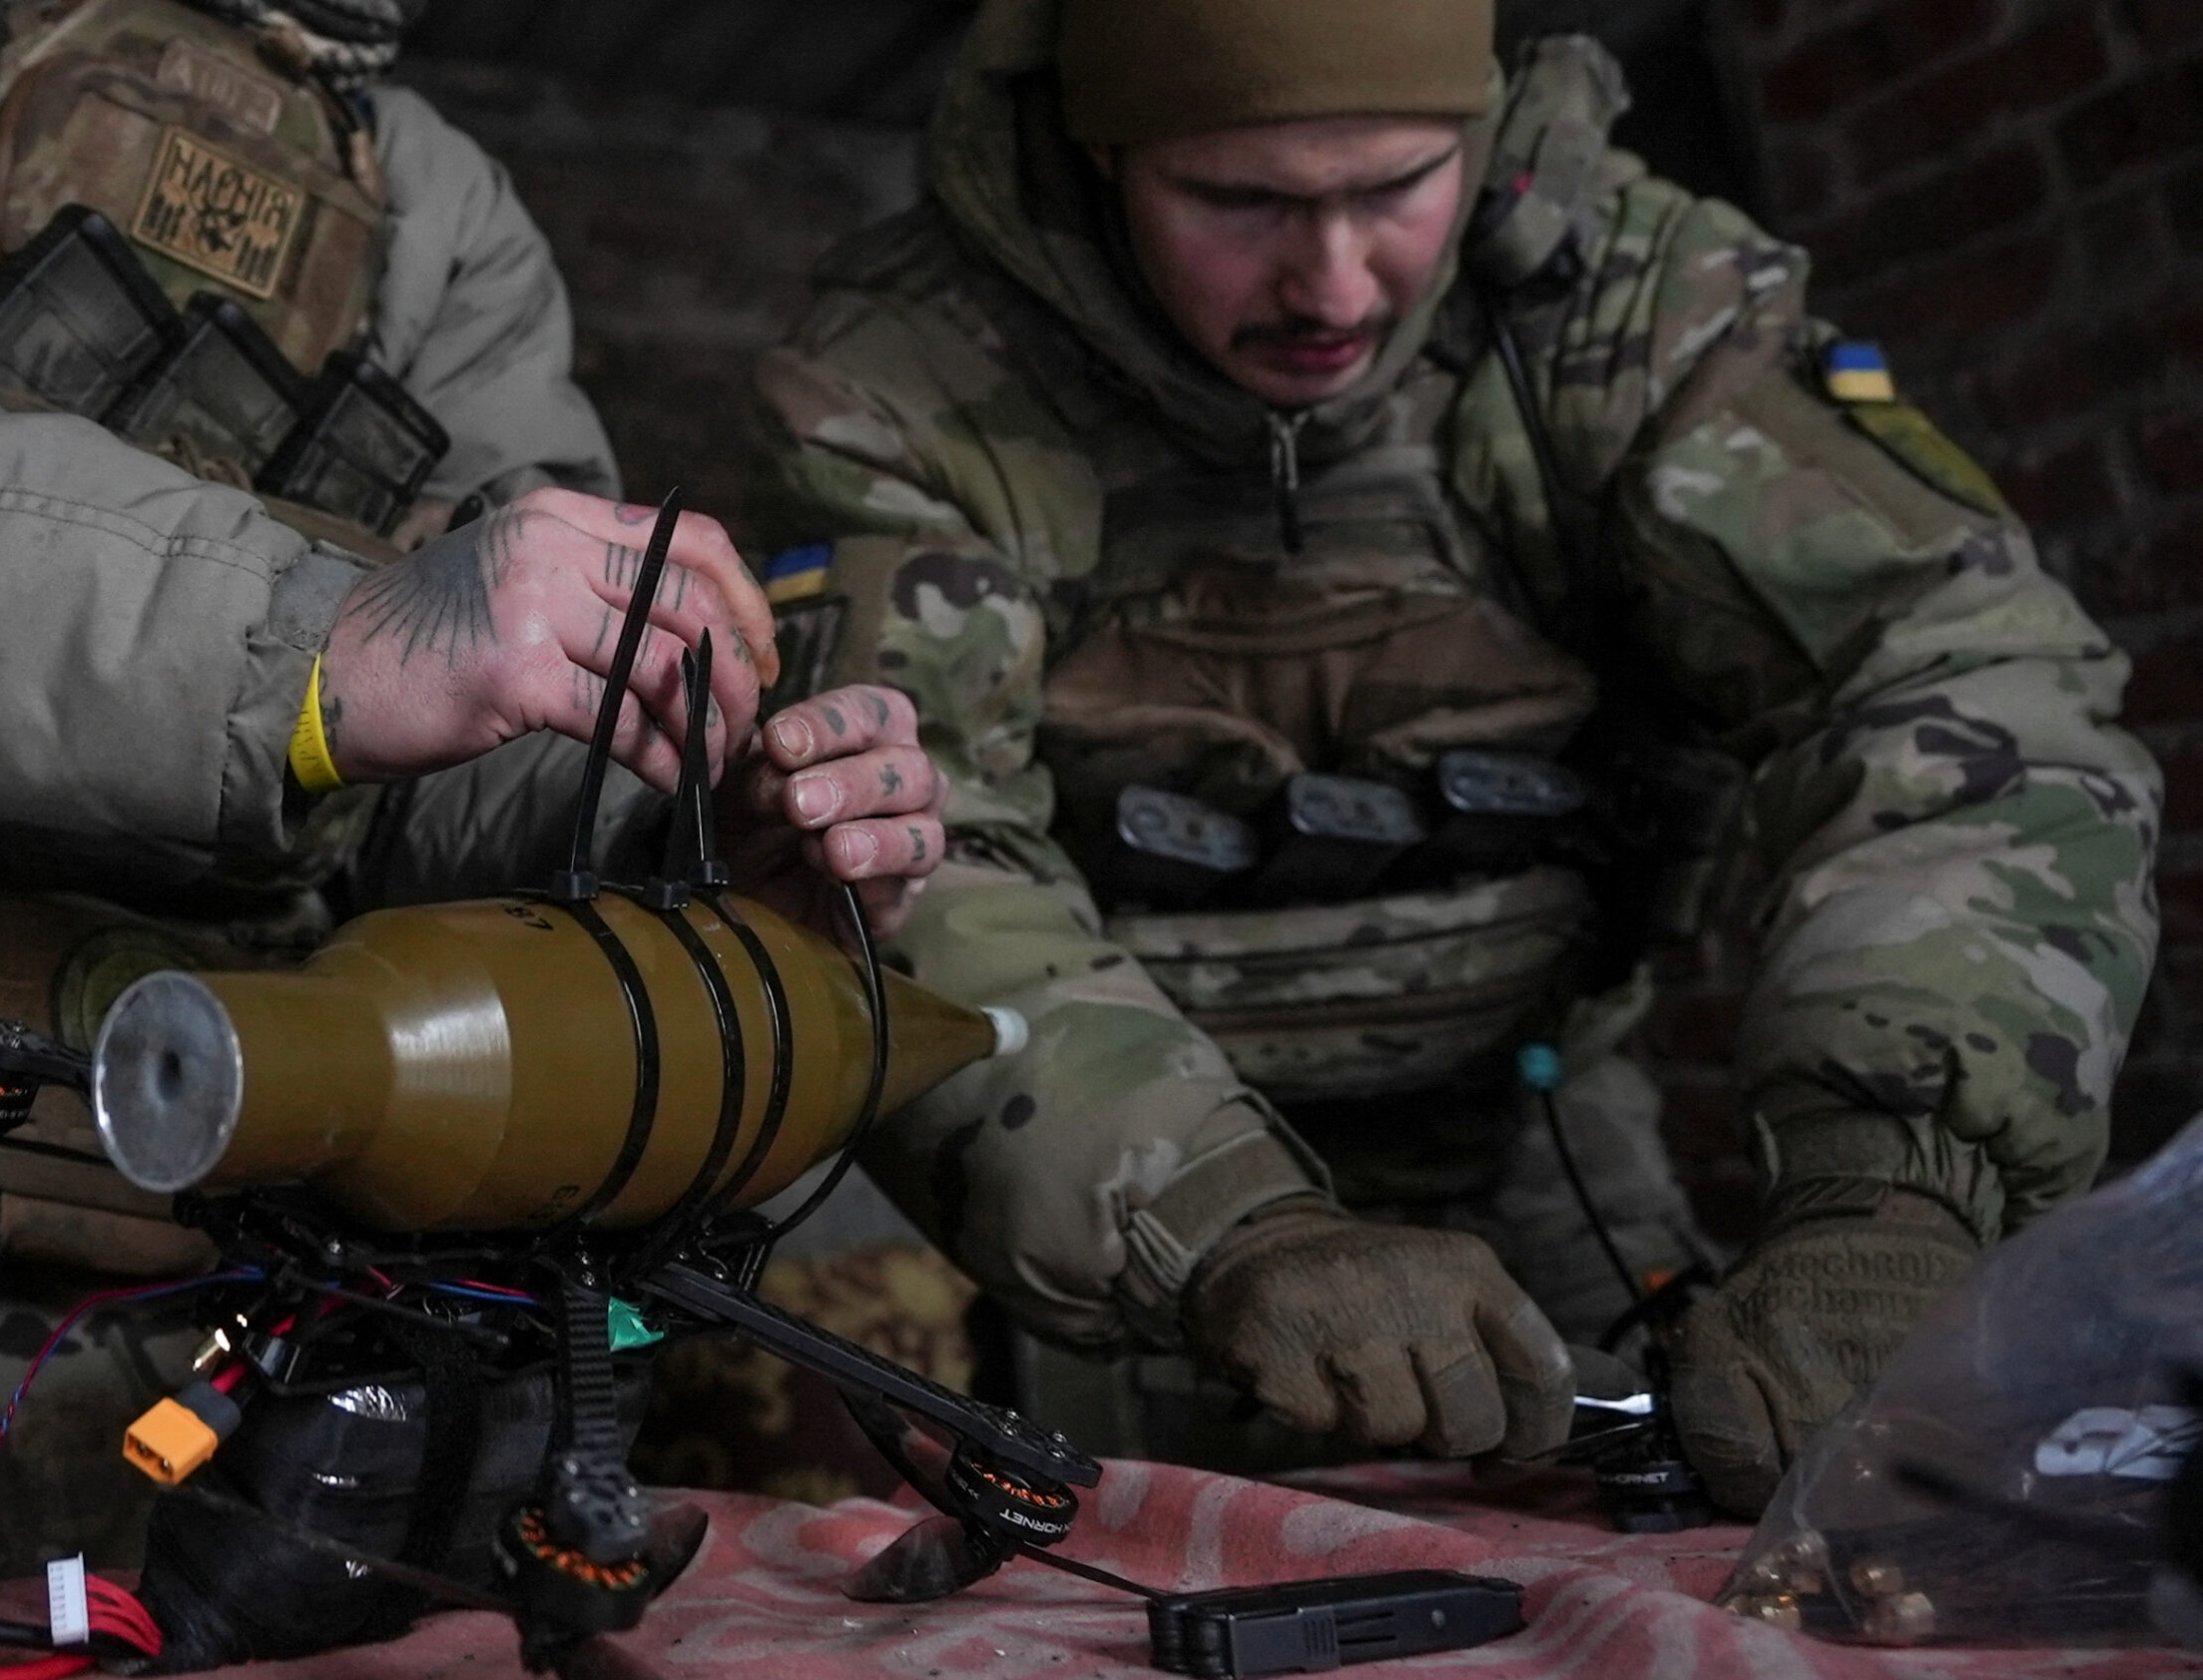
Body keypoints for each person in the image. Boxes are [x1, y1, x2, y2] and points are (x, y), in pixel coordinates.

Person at [0, 0, 948, 1635]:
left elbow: (475, 754)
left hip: (200, 1295)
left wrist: (672, 830)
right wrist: (311, 638)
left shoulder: (439, 222)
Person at [754, 0, 2159, 1511]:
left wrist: (1896, 1179)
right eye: (1239, 202)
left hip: (1551, 1143)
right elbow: (899, 843)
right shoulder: (902, 374)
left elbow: (1956, 670)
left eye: (1398, 184)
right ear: (1101, 158)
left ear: (1480, 136)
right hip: (1136, 1192)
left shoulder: (1627, 302)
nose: (1333, 282)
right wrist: (1226, 1225)